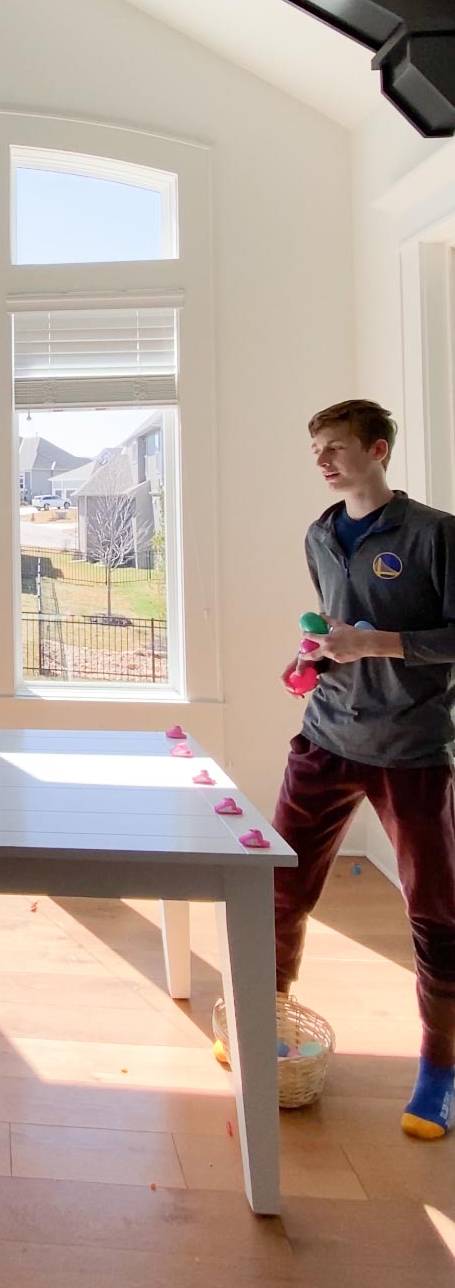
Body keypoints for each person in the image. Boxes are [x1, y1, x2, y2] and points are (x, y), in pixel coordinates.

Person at [274, 400, 455, 1140]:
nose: (321, 461)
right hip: (324, 734)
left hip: (409, 750)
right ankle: (270, 1023)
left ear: (376, 449)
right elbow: (332, 620)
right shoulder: (320, 533)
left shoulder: (433, 534)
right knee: (278, 885)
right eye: (315, 447)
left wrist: (370, 643)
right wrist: (313, 655)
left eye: (335, 447)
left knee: (434, 912)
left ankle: (438, 1070)